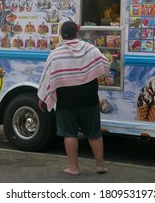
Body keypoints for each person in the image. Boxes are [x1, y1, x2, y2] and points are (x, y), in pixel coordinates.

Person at [37, 21, 110, 175]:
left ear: (62, 35)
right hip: (89, 99)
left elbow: (47, 79)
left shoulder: (55, 55)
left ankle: (74, 168)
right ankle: (100, 165)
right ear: (77, 34)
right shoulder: (90, 49)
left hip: (66, 101)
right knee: (94, 133)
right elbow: (105, 65)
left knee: (70, 134)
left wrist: (42, 98)